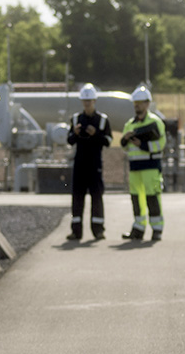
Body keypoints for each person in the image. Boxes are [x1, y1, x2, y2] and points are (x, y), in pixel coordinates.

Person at [66, 83, 113, 240]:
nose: (87, 103)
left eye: (90, 100)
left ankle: (98, 230)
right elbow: (69, 140)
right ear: (82, 102)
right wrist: (76, 133)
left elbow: (108, 141)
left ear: (94, 101)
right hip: (79, 164)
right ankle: (76, 231)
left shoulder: (102, 120)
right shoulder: (75, 119)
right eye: (85, 101)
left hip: (95, 164)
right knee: (77, 196)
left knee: (97, 195)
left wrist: (96, 134)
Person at [120, 85, 166, 241]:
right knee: (136, 199)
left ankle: (157, 229)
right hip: (135, 169)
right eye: (135, 102)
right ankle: (138, 229)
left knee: (152, 198)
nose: (137, 105)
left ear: (147, 103)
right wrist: (125, 139)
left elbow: (161, 144)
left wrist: (143, 145)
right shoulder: (129, 124)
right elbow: (124, 147)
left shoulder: (155, 122)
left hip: (151, 167)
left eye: (140, 102)